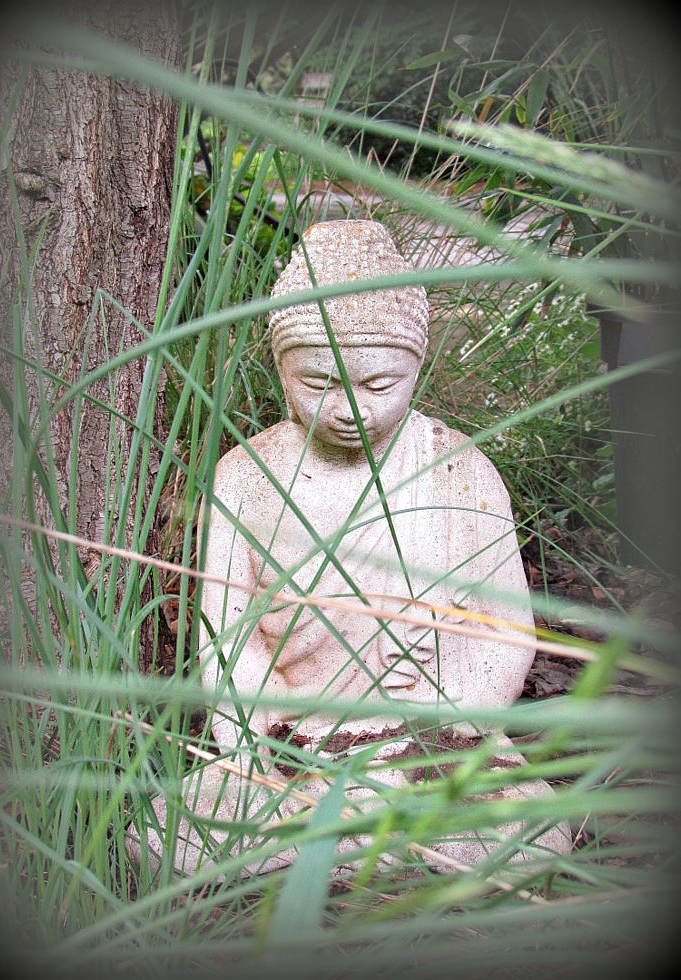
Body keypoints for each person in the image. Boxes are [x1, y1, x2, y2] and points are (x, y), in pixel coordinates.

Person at [128, 220, 570, 876]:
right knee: (165, 834)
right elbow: (229, 639)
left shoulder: (459, 470)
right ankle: (366, 844)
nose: (348, 409)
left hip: (428, 741)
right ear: (281, 367)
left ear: (415, 369)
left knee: (528, 835)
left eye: (378, 385)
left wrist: (443, 713)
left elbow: (503, 632)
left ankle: (340, 846)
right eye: (319, 383)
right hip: (295, 743)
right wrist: (250, 738)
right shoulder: (244, 477)